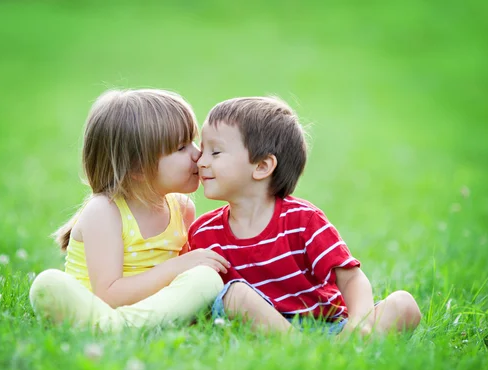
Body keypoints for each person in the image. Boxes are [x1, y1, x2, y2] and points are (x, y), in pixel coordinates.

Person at [188, 96, 421, 336]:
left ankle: (344, 346)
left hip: (330, 327)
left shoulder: (303, 220)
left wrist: (359, 323)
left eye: (215, 152)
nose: (200, 161)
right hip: (264, 333)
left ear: (261, 166)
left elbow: (351, 279)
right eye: (202, 150)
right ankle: (306, 351)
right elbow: (196, 298)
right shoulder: (203, 233)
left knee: (404, 305)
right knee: (235, 295)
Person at [29, 89, 229, 333]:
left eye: (193, 142)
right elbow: (109, 295)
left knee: (205, 278)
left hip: (151, 308)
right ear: (138, 168)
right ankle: (120, 326)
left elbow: (179, 285)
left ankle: (114, 329)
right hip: (95, 307)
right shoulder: (105, 211)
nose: (197, 154)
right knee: (47, 284)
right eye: (181, 147)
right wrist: (178, 266)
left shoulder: (182, 209)